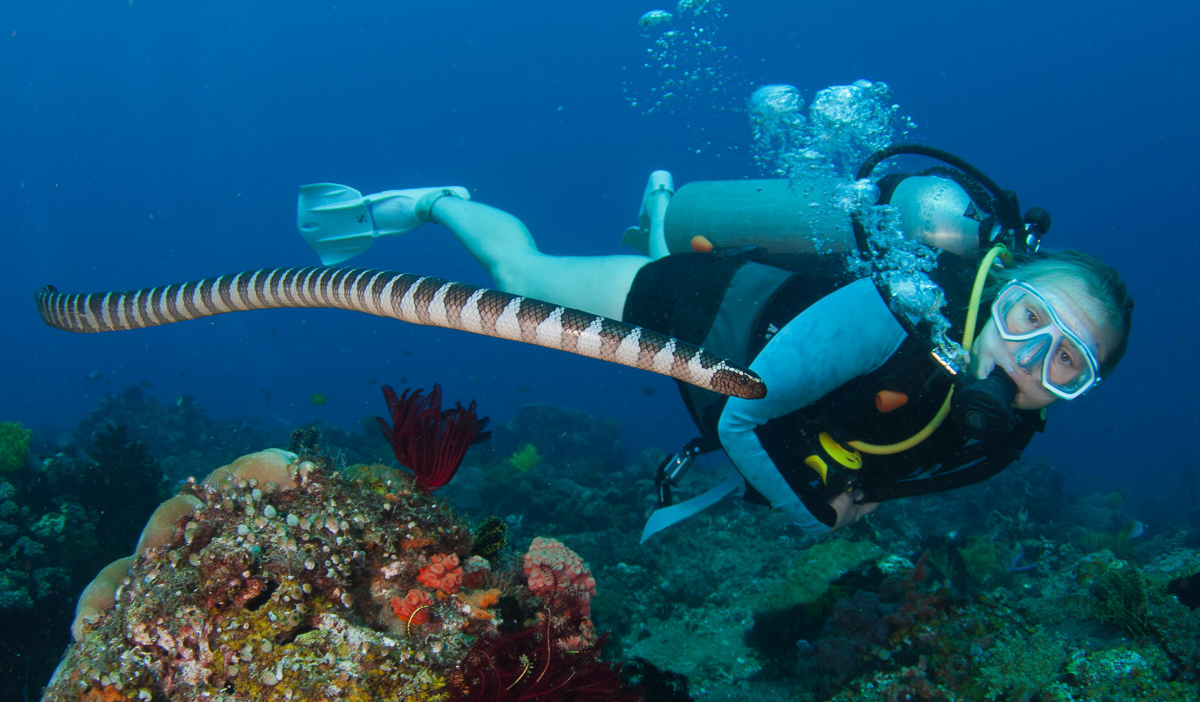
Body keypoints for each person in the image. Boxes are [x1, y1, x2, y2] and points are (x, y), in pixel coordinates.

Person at [296, 143, 1133, 538]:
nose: (1032, 358)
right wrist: (814, 513)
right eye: (1030, 320)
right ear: (1000, 291)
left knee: (651, 252)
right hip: (702, 307)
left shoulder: (1002, 433)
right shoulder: (898, 312)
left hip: (746, 346)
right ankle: (438, 199)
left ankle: (662, 211)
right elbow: (744, 423)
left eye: (1069, 361)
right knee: (523, 276)